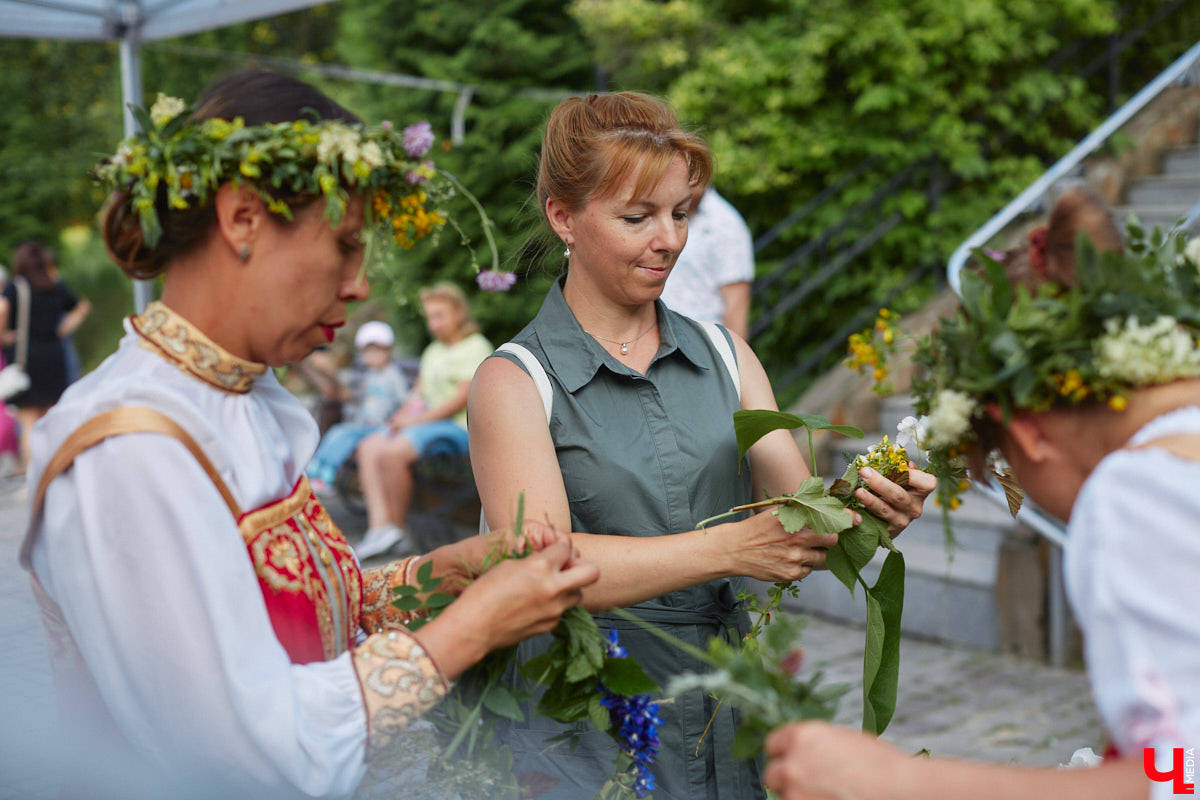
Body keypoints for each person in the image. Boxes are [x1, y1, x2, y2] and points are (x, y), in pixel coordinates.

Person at [19, 68, 598, 800]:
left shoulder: (241, 397)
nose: (359, 285)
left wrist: (444, 572)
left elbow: (304, 613)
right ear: (243, 218)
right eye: (346, 244)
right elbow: (247, 759)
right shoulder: (130, 447)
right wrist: (471, 629)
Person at [467, 91, 934, 800]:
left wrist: (868, 509)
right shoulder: (514, 381)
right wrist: (731, 549)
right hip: (589, 728)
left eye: (681, 213)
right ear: (563, 215)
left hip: (726, 716)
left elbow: (797, 523)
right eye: (638, 217)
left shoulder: (726, 354)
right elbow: (541, 570)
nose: (671, 240)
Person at [760, 188, 1198, 800]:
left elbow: (1183, 778)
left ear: (1027, 435)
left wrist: (901, 782)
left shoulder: (1136, 494)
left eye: (1003, 466)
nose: (1034, 499)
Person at [354, 282, 492, 560]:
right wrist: (402, 416)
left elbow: (460, 400)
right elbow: (419, 392)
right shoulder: (434, 351)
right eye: (430, 317)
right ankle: (380, 529)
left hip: (457, 428)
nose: (433, 323)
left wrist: (414, 422)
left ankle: (397, 529)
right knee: (369, 446)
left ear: (459, 313)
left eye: (440, 315)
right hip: (428, 426)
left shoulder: (475, 347)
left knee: (393, 453)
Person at [0, 240, 90, 473]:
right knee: (51, 421)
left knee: (29, 423)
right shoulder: (54, 285)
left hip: (27, 361)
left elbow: (1, 308)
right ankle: (55, 475)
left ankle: (34, 480)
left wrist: (4, 335)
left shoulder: (17, 287)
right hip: (54, 358)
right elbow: (81, 307)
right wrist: (62, 330)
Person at [306, 320, 408, 493]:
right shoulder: (369, 375)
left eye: (377, 351)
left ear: (388, 352)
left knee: (347, 438)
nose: (373, 356)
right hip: (364, 424)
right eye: (369, 352)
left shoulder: (393, 375)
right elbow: (358, 398)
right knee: (338, 432)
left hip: (380, 427)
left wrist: (396, 420)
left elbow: (404, 401)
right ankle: (316, 467)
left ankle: (328, 474)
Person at [659, 184, 755, 338]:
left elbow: (736, 306)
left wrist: (731, 359)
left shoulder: (726, 224)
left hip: (701, 346)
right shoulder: (661, 209)